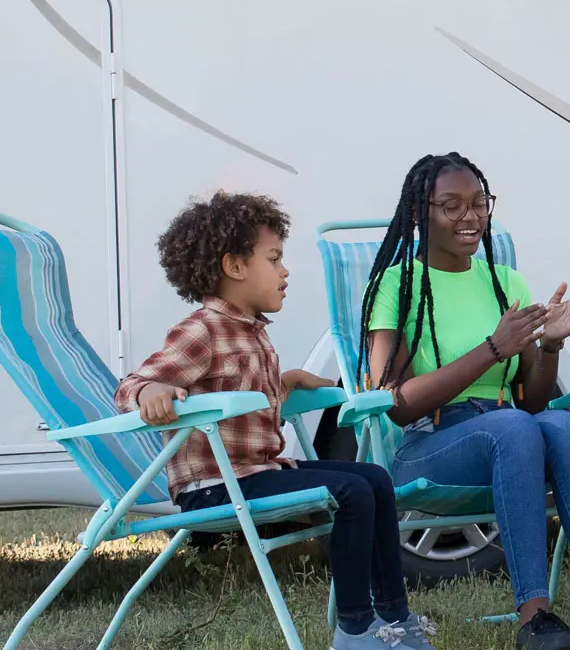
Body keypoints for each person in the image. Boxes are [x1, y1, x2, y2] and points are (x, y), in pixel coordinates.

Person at [113, 192, 437, 650]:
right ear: (235, 266)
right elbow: (132, 384)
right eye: (275, 258)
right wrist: (152, 392)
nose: (285, 271)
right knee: (350, 492)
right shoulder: (203, 329)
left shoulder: (253, 331)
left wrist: (286, 382)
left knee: (375, 479)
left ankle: (396, 620)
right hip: (215, 484)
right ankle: (355, 629)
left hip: (260, 472)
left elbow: (236, 395)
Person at [360, 152, 570, 650]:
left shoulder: (505, 282)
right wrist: (491, 349)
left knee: (560, 426)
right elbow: (395, 403)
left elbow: (534, 401)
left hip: (509, 433)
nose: (470, 218)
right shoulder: (397, 285)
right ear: (417, 213)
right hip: (430, 444)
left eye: (479, 204)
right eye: (451, 206)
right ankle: (534, 618)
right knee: (515, 427)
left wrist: (551, 344)